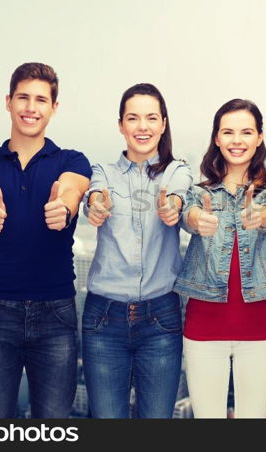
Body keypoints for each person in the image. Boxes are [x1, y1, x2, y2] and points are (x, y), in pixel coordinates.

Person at [0, 62, 91, 418]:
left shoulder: (72, 160)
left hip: (56, 312)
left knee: (53, 427)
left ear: (54, 108)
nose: (31, 108)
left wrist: (63, 205)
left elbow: (72, 188)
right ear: (8, 102)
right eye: (23, 98)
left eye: (41, 100)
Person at [81, 83, 191, 418]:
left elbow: (178, 192)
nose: (142, 127)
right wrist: (96, 206)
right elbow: (95, 195)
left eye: (151, 118)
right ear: (121, 125)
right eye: (133, 118)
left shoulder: (176, 169)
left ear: (163, 123)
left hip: (161, 318)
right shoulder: (103, 172)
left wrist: (172, 207)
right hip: (104, 318)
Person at [175, 99, 266, 418]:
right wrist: (197, 220)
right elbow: (186, 214)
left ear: (260, 137)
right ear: (217, 138)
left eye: (246, 132)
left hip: (259, 329)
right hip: (204, 328)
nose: (237, 141)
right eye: (229, 132)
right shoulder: (198, 192)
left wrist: (263, 216)